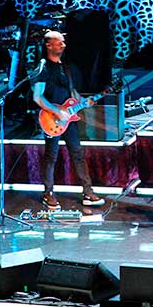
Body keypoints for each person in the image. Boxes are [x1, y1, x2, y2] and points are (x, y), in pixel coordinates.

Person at [31, 31, 105, 210]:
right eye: (60, 42)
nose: (64, 45)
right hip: (51, 119)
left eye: (64, 42)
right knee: (51, 156)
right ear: (49, 45)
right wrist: (57, 111)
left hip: (68, 119)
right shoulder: (43, 67)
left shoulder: (65, 67)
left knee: (78, 154)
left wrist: (83, 102)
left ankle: (87, 192)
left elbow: (72, 93)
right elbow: (37, 97)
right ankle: (48, 193)